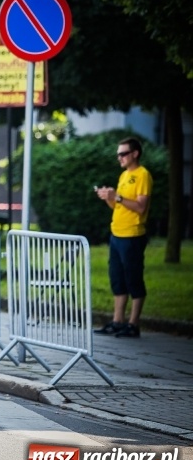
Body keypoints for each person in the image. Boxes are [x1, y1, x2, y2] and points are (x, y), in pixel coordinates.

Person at [94, 137, 152, 338]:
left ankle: (133, 324)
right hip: (117, 234)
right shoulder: (124, 175)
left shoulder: (142, 175)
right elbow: (119, 205)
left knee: (133, 278)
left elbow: (140, 207)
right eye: (118, 154)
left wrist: (117, 197)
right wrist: (109, 198)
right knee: (117, 278)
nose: (119, 157)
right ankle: (118, 321)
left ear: (135, 154)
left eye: (123, 154)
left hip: (132, 235)